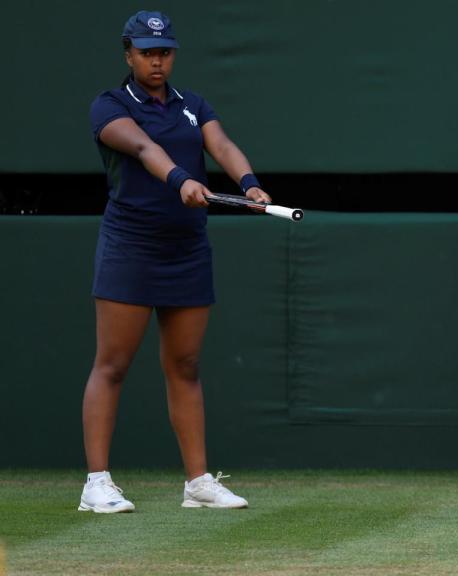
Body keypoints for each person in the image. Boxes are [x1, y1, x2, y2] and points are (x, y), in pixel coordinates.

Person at [79, 10, 269, 512]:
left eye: (164, 52)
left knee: (185, 364)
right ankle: (96, 483)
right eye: (146, 52)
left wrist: (249, 184)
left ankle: (197, 483)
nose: (157, 61)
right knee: (112, 364)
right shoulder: (109, 105)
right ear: (129, 54)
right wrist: (181, 179)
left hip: (186, 249)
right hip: (130, 247)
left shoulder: (193, 105)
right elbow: (143, 147)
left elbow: (221, 144)